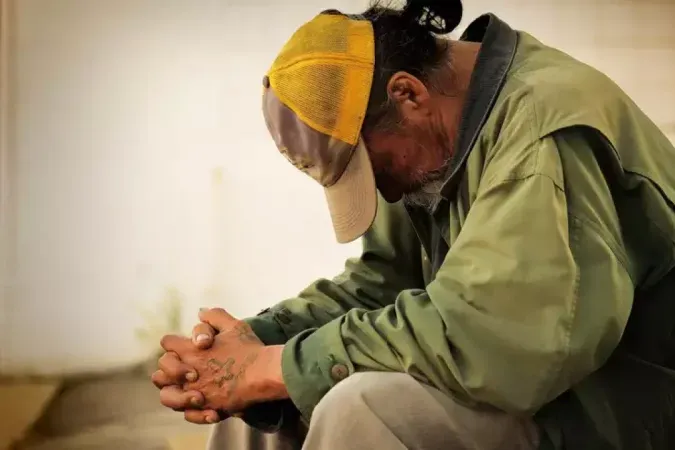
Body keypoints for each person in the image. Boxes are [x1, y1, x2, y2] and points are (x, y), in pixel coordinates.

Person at [151, 0, 675, 449]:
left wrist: (278, 366)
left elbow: (498, 339)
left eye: (372, 168)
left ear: (408, 94)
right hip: (533, 389)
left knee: (360, 409)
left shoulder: (541, 133)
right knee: (257, 407)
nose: (383, 192)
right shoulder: (429, 135)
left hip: (608, 412)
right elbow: (387, 280)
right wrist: (248, 348)